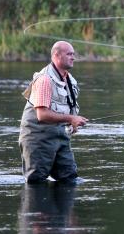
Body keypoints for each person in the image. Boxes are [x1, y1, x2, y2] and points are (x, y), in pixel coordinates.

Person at [18, 41, 88, 183]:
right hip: (37, 139)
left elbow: (66, 106)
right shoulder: (44, 80)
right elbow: (42, 115)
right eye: (69, 54)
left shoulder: (70, 80)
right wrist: (71, 118)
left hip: (60, 137)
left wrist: (72, 122)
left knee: (70, 179)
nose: (73, 57)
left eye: (73, 54)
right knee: (36, 182)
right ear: (56, 55)